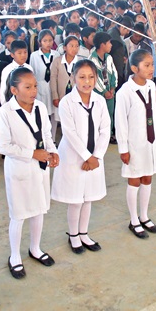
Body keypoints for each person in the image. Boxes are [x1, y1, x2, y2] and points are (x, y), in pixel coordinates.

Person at [0, 67, 59, 279]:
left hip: (40, 168)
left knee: (39, 209)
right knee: (19, 213)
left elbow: (47, 134)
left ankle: (35, 248)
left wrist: (53, 151)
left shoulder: (40, 107)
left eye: (35, 86)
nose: (34, 91)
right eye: (28, 87)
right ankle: (15, 256)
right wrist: (32, 153)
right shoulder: (5, 112)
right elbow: (3, 146)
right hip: (20, 169)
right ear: (14, 90)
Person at [51, 59, 110, 254]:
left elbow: (105, 130)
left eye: (91, 77)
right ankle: (73, 235)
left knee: (88, 198)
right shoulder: (67, 102)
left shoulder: (100, 101)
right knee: (76, 199)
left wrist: (97, 156)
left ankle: (84, 233)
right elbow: (70, 133)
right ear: (73, 78)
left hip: (94, 158)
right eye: (82, 77)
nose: (87, 81)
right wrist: (86, 156)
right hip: (74, 157)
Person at [115, 49, 156, 239]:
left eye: (152, 64)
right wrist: (123, 149)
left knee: (147, 178)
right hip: (134, 143)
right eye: (147, 65)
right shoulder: (125, 92)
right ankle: (134, 219)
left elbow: (152, 113)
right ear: (135, 68)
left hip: (150, 140)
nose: (151, 68)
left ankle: (144, 216)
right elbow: (121, 122)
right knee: (134, 180)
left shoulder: (151, 86)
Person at [30, 30, 61, 140]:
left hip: (53, 87)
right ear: (40, 42)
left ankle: (52, 139)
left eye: (50, 40)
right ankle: (43, 138)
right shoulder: (34, 55)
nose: (48, 43)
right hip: (40, 87)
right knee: (42, 114)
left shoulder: (56, 54)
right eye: (45, 41)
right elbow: (32, 72)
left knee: (54, 114)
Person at [89, 32, 118, 143]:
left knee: (109, 113)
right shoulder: (92, 59)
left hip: (110, 92)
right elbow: (95, 78)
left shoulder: (109, 57)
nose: (111, 45)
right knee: (98, 114)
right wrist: (104, 91)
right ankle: (98, 135)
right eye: (109, 43)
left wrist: (112, 88)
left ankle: (109, 134)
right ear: (102, 45)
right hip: (99, 92)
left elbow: (114, 72)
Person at [50, 35, 79, 126]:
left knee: (76, 119)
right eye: (71, 46)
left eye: (77, 46)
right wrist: (55, 96)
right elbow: (53, 78)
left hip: (76, 96)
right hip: (61, 95)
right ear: (64, 47)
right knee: (63, 120)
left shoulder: (81, 61)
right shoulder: (57, 61)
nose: (74, 49)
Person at [0, 39, 32, 107]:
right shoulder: (7, 70)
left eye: (25, 52)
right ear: (12, 55)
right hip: (12, 104)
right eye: (19, 53)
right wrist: (5, 106)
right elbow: (3, 90)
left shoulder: (29, 68)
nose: (23, 55)